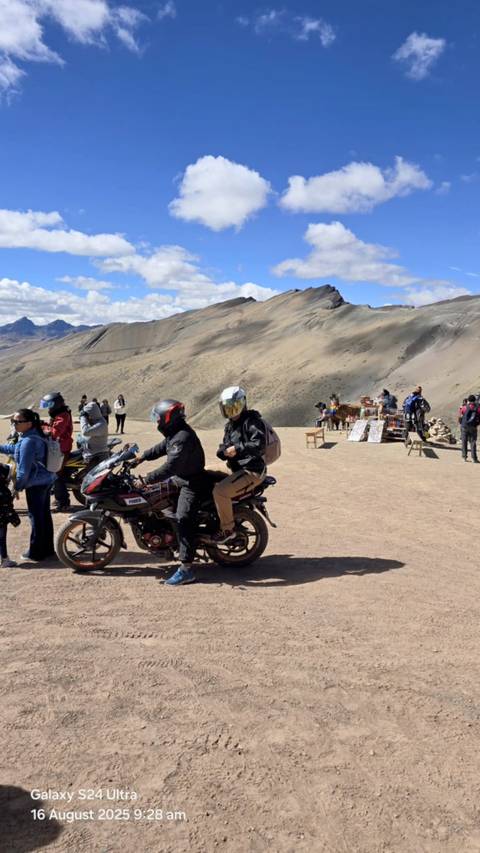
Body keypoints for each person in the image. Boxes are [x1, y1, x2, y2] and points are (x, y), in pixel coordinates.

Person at [132, 400, 206, 586]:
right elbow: (162, 447)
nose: (157, 423)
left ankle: (187, 569)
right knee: (156, 501)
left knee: (183, 517)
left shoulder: (182, 437)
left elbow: (171, 467)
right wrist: (142, 457)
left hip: (192, 482)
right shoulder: (175, 434)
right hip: (181, 478)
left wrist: (146, 480)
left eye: (159, 419)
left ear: (168, 418)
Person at [0, 410, 55, 562]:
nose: (14, 424)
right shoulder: (33, 436)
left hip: (36, 483)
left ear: (28, 423)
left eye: (18, 422)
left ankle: (36, 553)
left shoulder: (29, 441)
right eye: (13, 422)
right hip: (46, 480)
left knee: (36, 517)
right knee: (44, 515)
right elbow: (15, 449)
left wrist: (17, 487)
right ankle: (48, 549)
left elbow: (23, 471)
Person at [213, 386, 266, 543]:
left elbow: (259, 445)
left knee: (220, 492)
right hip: (234, 467)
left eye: (233, 406)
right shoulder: (230, 425)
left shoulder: (252, 422)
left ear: (242, 404)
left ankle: (227, 530)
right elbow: (224, 446)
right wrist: (223, 452)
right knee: (202, 474)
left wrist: (237, 449)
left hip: (252, 470)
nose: (231, 410)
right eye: (227, 407)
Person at [40, 391, 73, 512]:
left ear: (56, 404)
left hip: (61, 449)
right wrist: (40, 423)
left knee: (56, 474)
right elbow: (51, 427)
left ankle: (64, 502)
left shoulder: (63, 416)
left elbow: (54, 433)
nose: (48, 408)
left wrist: (42, 427)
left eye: (49, 405)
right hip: (56, 447)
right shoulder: (57, 414)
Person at [0, 462, 21, 567]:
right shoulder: (3, 492)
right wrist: (14, 519)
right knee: (1, 536)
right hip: (2, 519)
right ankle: (4, 559)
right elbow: (7, 508)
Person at [458, 395, 480, 462]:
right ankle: (474, 458)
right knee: (473, 442)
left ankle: (464, 457)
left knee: (464, 442)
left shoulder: (464, 407)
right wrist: (477, 424)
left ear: (468, 400)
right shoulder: (478, 408)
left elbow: (460, 416)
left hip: (464, 426)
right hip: (473, 427)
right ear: (474, 400)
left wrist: (461, 424)